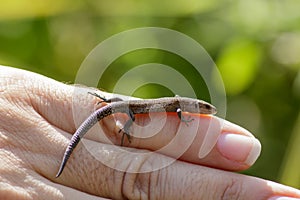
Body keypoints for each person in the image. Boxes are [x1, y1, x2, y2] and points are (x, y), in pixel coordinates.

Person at [0, 65, 299, 200]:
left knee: (114, 109)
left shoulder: (182, 105)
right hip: (127, 109)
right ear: (198, 106)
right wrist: (183, 122)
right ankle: (104, 113)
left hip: (124, 106)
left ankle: (105, 108)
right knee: (116, 116)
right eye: (205, 109)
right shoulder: (183, 107)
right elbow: (181, 113)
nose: (208, 111)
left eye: (205, 109)